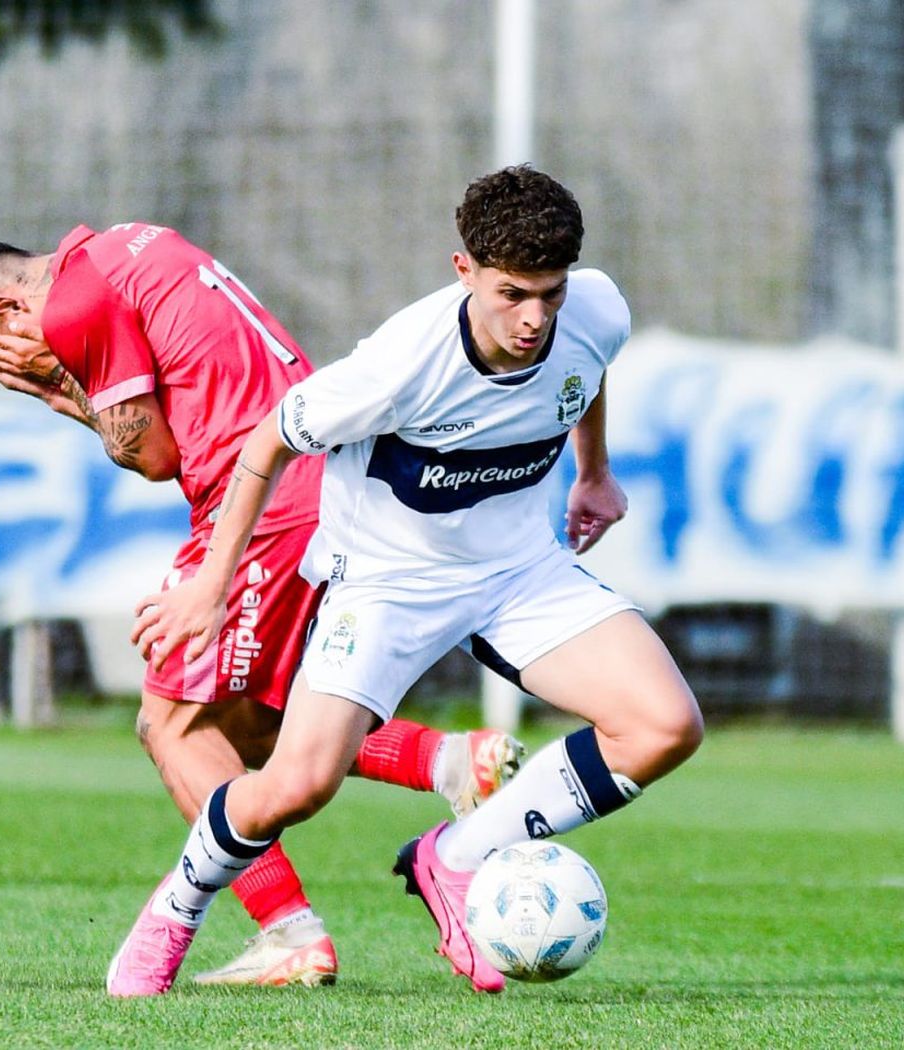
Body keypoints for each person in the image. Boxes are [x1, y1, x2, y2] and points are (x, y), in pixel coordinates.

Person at [130, 165, 705, 995]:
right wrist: (212, 586)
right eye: (513, 294)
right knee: (295, 786)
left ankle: (458, 858)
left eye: (550, 293)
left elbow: (587, 369)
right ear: (463, 269)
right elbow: (266, 444)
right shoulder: (399, 365)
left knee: (662, 725)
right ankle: (175, 912)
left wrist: (594, 473)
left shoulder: (595, 311)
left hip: (518, 572)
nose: (534, 318)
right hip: (386, 585)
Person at [0, 224, 523, 990]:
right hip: (322, 479)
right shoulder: (134, 243)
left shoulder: (74, 308)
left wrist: (57, 389)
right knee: (249, 721)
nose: (15, 353)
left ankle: (289, 931)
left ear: (10, 310)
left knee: (171, 724)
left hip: (262, 506)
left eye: (0, 345)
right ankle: (445, 761)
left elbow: (153, 456)